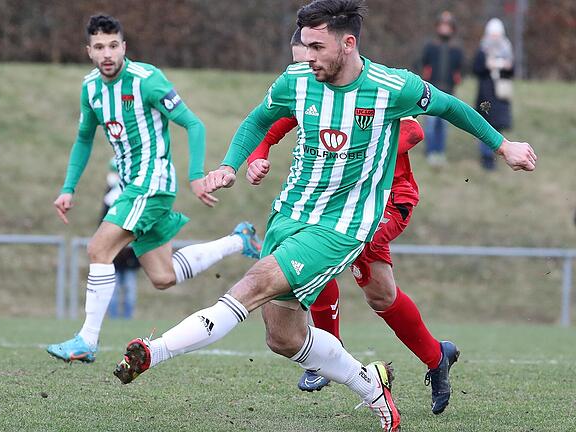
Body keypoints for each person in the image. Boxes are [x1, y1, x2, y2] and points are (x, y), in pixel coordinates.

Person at [114, 1, 536, 431]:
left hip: (342, 226)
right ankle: (370, 384)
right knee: (283, 337)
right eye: (304, 45)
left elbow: (451, 107)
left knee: (255, 282)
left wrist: (503, 146)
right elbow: (260, 120)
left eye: (317, 46)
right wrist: (230, 165)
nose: (307, 54)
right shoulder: (296, 79)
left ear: (348, 43)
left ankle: (154, 350)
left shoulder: (392, 86)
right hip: (289, 214)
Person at [47, 15, 262, 363]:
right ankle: (240, 240)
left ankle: (87, 340)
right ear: (89, 51)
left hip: (153, 182)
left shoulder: (147, 80)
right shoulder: (91, 89)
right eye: (99, 47)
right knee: (163, 276)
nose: (107, 53)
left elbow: (193, 123)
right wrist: (68, 187)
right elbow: (84, 139)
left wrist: (195, 175)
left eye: (113, 45)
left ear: (124, 47)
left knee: (100, 248)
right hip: (134, 185)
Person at [249, 112, 459, 414]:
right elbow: (283, 117)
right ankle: (438, 356)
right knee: (381, 295)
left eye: (316, 60)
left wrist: (361, 148)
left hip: (388, 200)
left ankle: (327, 351)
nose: (311, 63)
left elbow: (414, 132)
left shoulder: (377, 86)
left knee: (326, 251)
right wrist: (261, 151)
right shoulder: (316, 90)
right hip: (342, 204)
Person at [420, 11, 464, 167]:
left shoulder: (456, 49)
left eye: (448, 25)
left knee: (443, 125)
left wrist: (456, 79)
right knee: (430, 124)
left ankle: (440, 152)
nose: (445, 28)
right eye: (442, 25)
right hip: (432, 91)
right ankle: (430, 151)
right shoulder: (430, 46)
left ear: (452, 28)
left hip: (449, 92)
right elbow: (422, 64)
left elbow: (461, 69)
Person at [473, 18, 514, 170]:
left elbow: (512, 70)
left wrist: (504, 66)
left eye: (497, 34)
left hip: (500, 96)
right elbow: (476, 69)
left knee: (498, 126)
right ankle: (486, 157)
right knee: (484, 125)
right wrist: (487, 66)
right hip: (485, 94)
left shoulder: (507, 49)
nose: (495, 37)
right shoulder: (482, 50)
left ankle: (497, 154)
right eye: (493, 34)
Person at [102, 160, 140, 319]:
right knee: (113, 290)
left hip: (130, 254)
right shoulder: (109, 197)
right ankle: (113, 320)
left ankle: (127, 319)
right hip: (114, 254)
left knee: (130, 289)